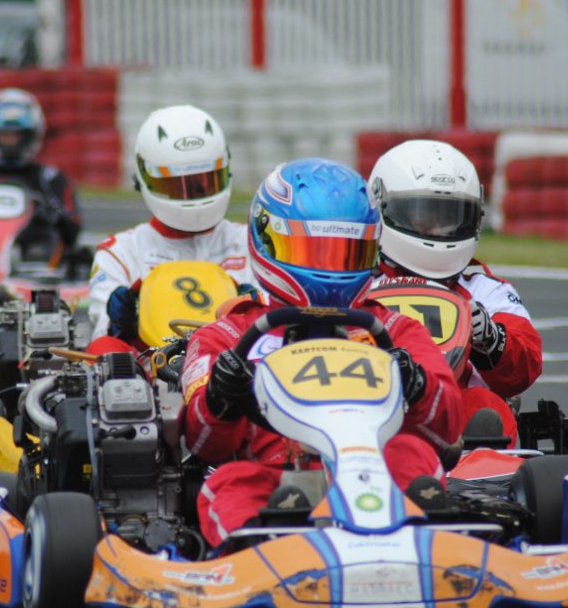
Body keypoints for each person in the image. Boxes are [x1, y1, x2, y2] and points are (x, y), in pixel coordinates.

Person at [181, 158, 463, 548]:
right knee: (228, 482)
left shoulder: (395, 330)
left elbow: (447, 428)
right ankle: (265, 549)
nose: (329, 270)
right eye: (312, 252)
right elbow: (203, 444)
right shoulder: (227, 336)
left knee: (412, 451)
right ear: (267, 240)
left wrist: (417, 386)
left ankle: (424, 537)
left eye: (344, 254)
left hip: (375, 471)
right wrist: (220, 399)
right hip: (277, 479)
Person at [367, 139, 542, 447]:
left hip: (457, 419)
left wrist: (491, 339)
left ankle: (479, 471)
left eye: (450, 217)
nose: (439, 229)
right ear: (382, 208)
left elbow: (524, 367)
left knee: (487, 408)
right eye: (424, 216)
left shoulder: (483, 288)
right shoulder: (360, 282)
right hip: (369, 399)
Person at [86, 104, 257, 355]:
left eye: (204, 183)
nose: (193, 196)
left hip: (235, 364)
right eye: (178, 185)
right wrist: (121, 321)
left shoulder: (252, 243)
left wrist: (255, 307)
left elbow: (282, 320)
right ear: (146, 178)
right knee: (103, 349)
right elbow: (101, 328)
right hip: (154, 367)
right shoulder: (120, 252)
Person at [0, 88, 82, 267]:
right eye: (4, 135)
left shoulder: (49, 179)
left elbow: (73, 231)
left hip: (28, 262)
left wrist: (48, 215)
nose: (10, 143)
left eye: (17, 136)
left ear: (32, 135)